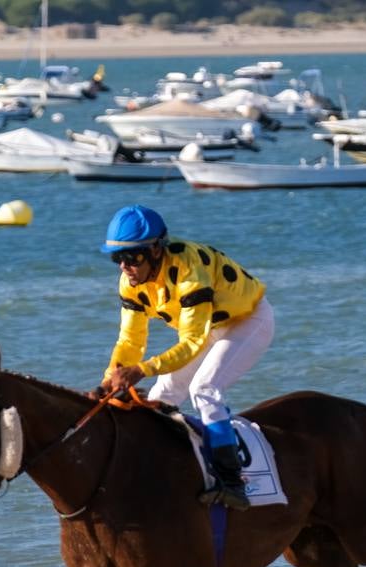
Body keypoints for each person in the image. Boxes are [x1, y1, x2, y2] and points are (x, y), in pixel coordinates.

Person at [99, 204, 274, 511]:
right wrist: (109, 380)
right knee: (161, 396)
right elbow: (130, 340)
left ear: (156, 250)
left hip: (248, 321)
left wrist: (142, 369)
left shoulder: (189, 269)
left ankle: (233, 484)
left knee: (204, 389)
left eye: (132, 256)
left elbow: (192, 341)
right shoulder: (131, 281)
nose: (124, 266)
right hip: (210, 327)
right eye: (118, 258)